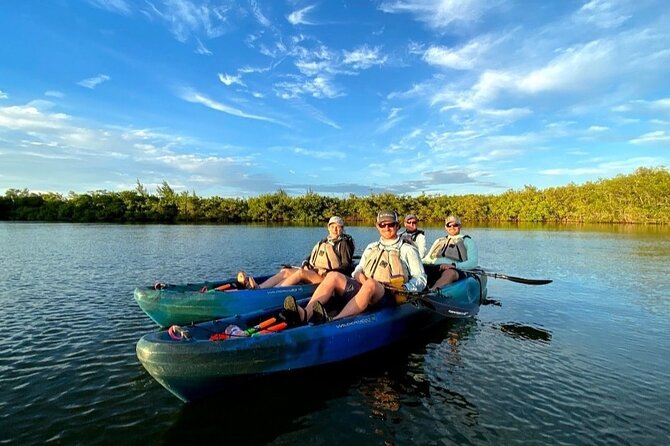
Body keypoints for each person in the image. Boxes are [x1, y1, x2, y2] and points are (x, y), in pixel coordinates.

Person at [283, 209, 426, 324]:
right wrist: (359, 276)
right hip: (365, 288)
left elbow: (421, 278)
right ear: (377, 226)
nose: (387, 228)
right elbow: (358, 269)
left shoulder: (408, 249)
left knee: (370, 284)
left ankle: (335, 321)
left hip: (389, 295)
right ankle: (305, 314)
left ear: (397, 226)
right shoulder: (371, 247)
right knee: (333, 276)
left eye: (391, 224)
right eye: (383, 225)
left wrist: (406, 288)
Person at [236, 216, 355, 289]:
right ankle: (259, 287)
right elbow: (308, 259)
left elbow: (347, 267)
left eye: (338, 227)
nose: (335, 229)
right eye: (332, 226)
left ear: (342, 229)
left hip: (327, 278)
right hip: (314, 273)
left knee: (300, 274)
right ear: (328, 228)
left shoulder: (344, 244)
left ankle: (270, 292)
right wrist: (305, 264)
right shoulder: (323, 242)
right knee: (286, 271)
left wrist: (328, 271)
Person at [422, 215, 478, 290]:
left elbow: (473, 262)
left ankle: (432, 292)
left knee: (449, 273)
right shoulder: (439, 241)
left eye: (455, 225)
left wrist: (454, 265)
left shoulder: (467, 241)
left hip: (456, 270)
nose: (452, 227)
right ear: (445, 227)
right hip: (436, 268)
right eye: (449, 225)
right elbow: (427, 259)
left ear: (460, 226)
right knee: (420, 269)